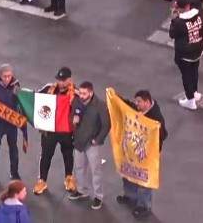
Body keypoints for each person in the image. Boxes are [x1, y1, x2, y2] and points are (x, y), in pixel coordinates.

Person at [116, 91, 168, 220]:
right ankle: (130, 197)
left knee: (144, 179)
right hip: (132, 150)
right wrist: (116, 98)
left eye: (139, 102)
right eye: (136, 101)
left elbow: (164, 135)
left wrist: (156, 132)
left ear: (147, 102)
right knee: (129, 173)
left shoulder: (156, 117)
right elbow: (127, 105)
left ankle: (144, 206)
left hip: (148, 155)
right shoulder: (138, 108)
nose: (136, 104)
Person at [33, 67, 77, 196]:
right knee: (46, 156)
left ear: (70, 80)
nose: (60, 82)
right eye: (58, 79)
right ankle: (42, 181)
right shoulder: (48, 89)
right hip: (50, 131)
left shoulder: (76, 93)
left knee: (68, 155)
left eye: (63, 80)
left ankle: (69, 178)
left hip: (67, 132)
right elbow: (35, 98)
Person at [67, 81, 110, 210]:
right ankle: (82, 190)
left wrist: (97, 140)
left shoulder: (100, 105)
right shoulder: (76, 102)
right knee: (79, 167)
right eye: (80, 92)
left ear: (91, 93)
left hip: (92, 144)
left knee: (95, 170)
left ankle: (98, 196)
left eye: (84, 93)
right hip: (79, 141)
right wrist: (72, 120)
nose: (81, 95)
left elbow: (106, 125)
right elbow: (71, 116)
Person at [0, 65, 28, 187]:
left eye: (10, 76)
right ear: (0, 75)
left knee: (13, 148)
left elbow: (20, 102)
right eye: (5, 76)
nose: (8, 78)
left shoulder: (16, 84)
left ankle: (14, 173)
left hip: (11, 123)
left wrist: (21, 120)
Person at [170, 0, 203, 110]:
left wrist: (173, 18)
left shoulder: (178, 22)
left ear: (179, 9)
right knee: (194, 71)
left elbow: (172, 34)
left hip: (184, 54)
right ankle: (194, 92)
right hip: (198, 49)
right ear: (188, 6)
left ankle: (190, 100)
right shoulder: (199, 14)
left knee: (186, 76)